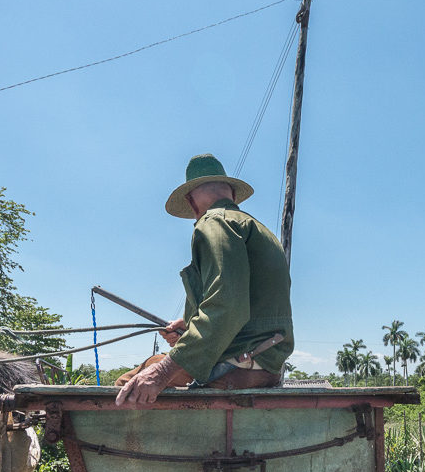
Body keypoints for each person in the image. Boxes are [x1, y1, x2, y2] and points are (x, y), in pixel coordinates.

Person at [115, 154, 294, 408]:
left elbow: (227, 305)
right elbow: (242, 306)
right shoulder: (256, 229)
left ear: (191, 201)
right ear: (231, 192)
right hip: (266, 363)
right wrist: (188, 326)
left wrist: (164, 372)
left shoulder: (214, 222)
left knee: (131, 383)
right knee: (155, 365)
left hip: (238, 365)